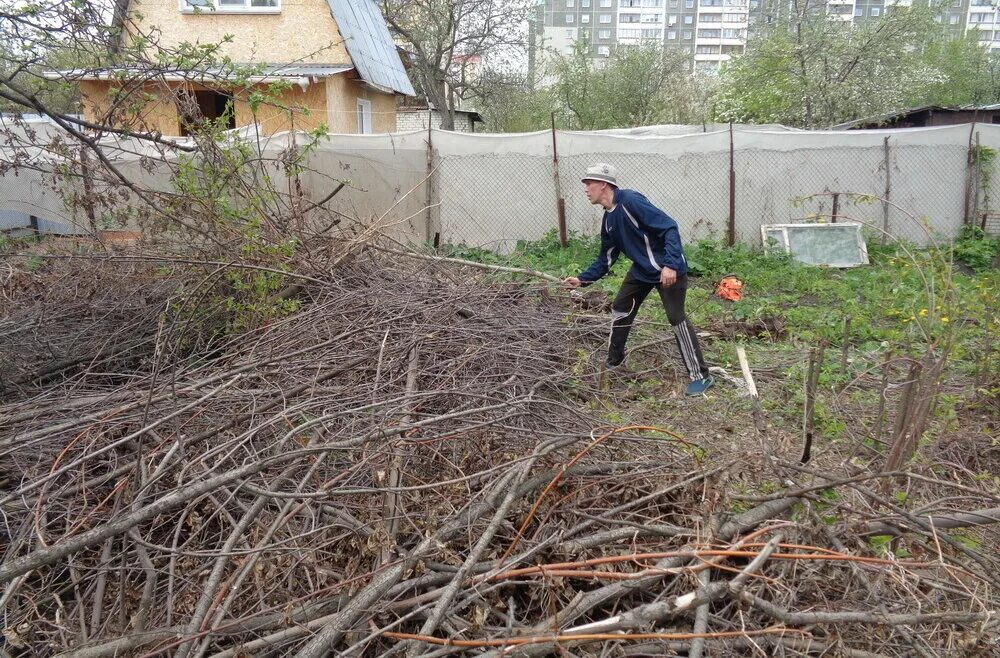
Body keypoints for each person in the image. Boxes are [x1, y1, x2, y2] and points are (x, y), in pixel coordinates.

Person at [563, 163, 714, 396]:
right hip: (642, 272)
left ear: (603, 184)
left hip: (668, 270)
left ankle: (700, 375)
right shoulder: (608, 221)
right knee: (620, 308)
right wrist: (582, 280)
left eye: (589, 183)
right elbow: (606, 258)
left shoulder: (631, 201)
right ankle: (615, 361)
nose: (585, 189)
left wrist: (671, 264)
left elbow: (669, 227)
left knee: (677, 318)